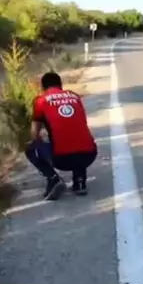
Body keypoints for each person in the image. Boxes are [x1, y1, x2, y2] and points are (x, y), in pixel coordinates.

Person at [25, 72, 98, 200]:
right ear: (61, 85)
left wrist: (41, 140)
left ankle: (53, 179)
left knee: (31, 148)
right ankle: (79, 181)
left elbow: (34, 133)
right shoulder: (75, 97)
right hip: (89, 154)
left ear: (43, 87)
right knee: (76, 139)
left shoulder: (41, 101)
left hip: (62, 159)